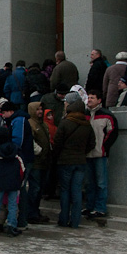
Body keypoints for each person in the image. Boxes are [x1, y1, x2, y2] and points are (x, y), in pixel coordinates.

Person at [53, 93, 95, 228]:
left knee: (65, 191)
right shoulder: (86, 124)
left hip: (65, 161)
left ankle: (64, 219)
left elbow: (58, 142)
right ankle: (76, 221)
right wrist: (82, 152)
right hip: (81, 161)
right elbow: (92, 143)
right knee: (76, 192)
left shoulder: (65, 123)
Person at [0, 101, 35, 230]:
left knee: (20, 189)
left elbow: (17, 141)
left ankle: (21, 220)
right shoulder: (17, 120)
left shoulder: (18, 121)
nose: (2, 115)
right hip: (23, 157)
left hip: (22, 158)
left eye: (3, 113)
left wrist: (8, 152)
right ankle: (18, 220)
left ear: (10, 111)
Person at [84, 90, 118, 219]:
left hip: (100, 154)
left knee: (101, 183)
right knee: (89, 183)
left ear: (99, 100)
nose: (90, 100)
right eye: (88, 97)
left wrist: (104, 146)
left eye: (92, 97)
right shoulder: (84, 114)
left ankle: (100, 208)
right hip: (87, 154)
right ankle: (89, 206)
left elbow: (113, 132)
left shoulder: (107, 115)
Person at [27, 102, 51, 224]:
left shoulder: (43, 124)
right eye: (37, 109)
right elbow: (31, 142)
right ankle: (31, 213)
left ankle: (35, 211)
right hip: (36, 162)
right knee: (35, 189)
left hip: (44, 161)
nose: (40, 111)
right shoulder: (31, 124)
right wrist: (40, 151)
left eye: (41, 109)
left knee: (39, 189)